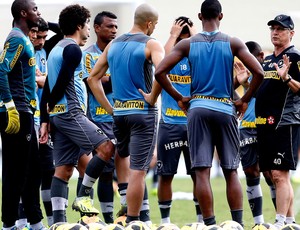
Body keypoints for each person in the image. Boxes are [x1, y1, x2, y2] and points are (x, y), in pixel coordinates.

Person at [153, 0, 264, 226]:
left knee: (202, 172)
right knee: (231, 171)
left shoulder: (189, 44)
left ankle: (210, 224)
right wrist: (243, 100)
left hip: (198, 109)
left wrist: (179, 97)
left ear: (200, 16)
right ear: (220, 16)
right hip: (225, 108)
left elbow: (160, 71)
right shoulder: (232, 42)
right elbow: (259, 72)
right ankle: (237, 224)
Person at [85, 3, 165, 224]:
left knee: (122, 157)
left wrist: (111, 108)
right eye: (155, 24)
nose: (154, 28)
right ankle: (133, 221)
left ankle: (117, 217)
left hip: (120, 115)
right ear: (149, 23)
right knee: (138, 171)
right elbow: (161, 71)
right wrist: (151, 97)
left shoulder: (113, 44)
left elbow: (92, 79)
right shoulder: (151, 43)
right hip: (142, 114)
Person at [39, 4, 115, 223]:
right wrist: (51, 106)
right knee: (107, 147)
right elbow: (60, 84)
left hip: (59, 118)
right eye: (88, 25)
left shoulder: (55, 49)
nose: (89, 30)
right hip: (72, 113)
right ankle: (83, 197)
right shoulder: (72, 49)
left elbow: (49, 86)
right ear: (80, 26)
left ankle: (58, 222)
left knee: (62, 171)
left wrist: (46, 118)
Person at [0, 0, 47, 230]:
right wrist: (9, 105)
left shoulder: (24, 37)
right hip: (16, 111)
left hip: (26, 110)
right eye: (35, 9)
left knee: (33, 169)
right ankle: (9, 225)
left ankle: (35, 223)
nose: (38, 12)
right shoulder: (17, 38)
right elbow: (1, 69)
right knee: (16, 172)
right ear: (23, 12)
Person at [155, 16, 203, 224]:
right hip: (169, 123)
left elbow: (206, 53)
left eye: (187, 36)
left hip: (194, 124)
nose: (184, 40)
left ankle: (202, 221)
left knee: (198, 174)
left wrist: (194, 35)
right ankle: (165, 223)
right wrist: (173, 35)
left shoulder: (198, 56)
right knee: (166, 174)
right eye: (180, 36)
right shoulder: (170, 56)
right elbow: (161, 61)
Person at [255, 14, 300, 229]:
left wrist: (288, 78)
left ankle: (280, 221)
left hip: (285, 122)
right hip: (265, 123)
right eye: (273, 28)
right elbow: (264, 91)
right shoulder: (268, 60)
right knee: (272, 175)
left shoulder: (296, 57)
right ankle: (290, 222)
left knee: (280, 174)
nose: (275, 32)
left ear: (291, 33)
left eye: (280, 29)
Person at [81, 10, 120, 224]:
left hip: (121, 117)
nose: (114, 30)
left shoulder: (119, 53)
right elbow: (95, 82)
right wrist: (120, 77)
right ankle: (85, 217)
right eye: (109, 26)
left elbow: (106, 80)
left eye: (116, 27)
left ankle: (108, 219)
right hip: (97, 117)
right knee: (93, 168)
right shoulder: (88, 55)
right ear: (96, 28)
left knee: (110, 171)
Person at [234, 41, 277, 227]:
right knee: (251, 172)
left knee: (270, 173)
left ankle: (281, 219)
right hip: (246, 127)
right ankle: (259, 223)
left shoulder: (269, 71)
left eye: (251, 58)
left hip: (266, 126)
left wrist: (246, 86)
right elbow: (226, 88)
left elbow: (268, 94)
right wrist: (239, 101)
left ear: (260, 56)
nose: (247, 62)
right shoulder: (243, 72)